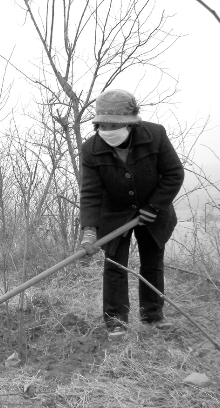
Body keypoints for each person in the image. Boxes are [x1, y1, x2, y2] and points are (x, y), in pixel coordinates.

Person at [79, 89, 184, 341]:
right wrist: (89, 230)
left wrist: (154, 207)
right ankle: (116, 321)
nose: (108, 129)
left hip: (153, 213)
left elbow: (173, 174)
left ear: (130, 123)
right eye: (103, 124)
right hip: (114, 215)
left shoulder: (155, 135)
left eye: (114, 125)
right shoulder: (91, 149)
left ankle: (153, 317)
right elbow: (91, 193)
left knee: (152, 264)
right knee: (115, 266)